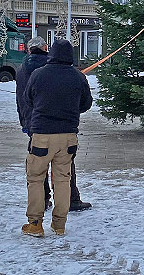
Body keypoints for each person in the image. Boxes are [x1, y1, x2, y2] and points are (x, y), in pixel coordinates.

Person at [20, 39, 92, 236]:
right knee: (62, 179)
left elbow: (29, 99)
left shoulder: (38, 74)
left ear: (50, 53)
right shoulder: (78, 77)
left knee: (35, 178)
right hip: (68, 136)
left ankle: (35, 223)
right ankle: (59, 224)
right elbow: (86, 104)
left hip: (42, 135)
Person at [16, 36, 51, 210]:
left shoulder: (22, 69)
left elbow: (20, 99)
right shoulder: (51, 67)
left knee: (37, 165)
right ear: (45, 48)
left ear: (29, 50)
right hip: (54, 123)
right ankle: (69, 198)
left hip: (33, 123)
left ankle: (42, 199)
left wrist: (24, 121)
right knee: (63, 165)